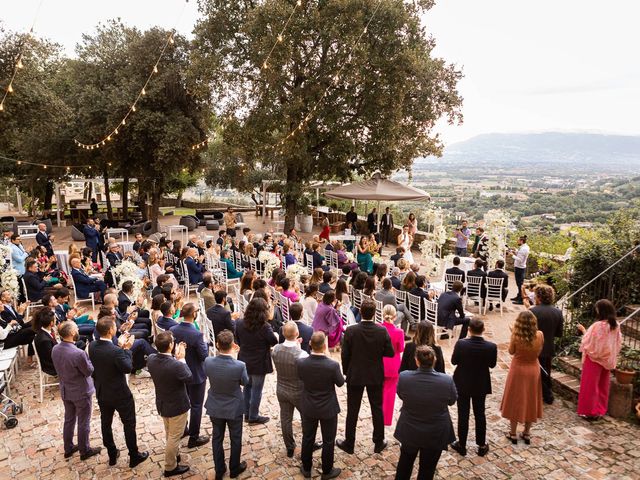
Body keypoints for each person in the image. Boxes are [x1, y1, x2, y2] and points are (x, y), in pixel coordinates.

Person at [89, 316, 149, 468]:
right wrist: (126, 349)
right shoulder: (116, 351)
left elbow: (104, 357)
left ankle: (112, 453)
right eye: (114, 327)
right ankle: (134, 455)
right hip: (120, 393)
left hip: (103, 391)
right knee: (129, 424)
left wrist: (120, 346)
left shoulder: (92, 346)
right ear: (110, 331)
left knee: (106, 423)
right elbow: (127, 367)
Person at [337, 299, 394, 455]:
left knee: (352, 410)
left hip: (355, 374)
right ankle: (378, 441)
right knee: (377, 408)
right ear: (374, 313)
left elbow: (345, 354)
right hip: (375, 374)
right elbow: (389, 352)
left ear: (360, 312)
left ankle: (349, 443)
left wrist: (347, 371)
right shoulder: (381, 331)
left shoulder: (351, 331)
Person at [394, 346, 456, 480]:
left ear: (417, 361)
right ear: (434, 360)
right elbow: (452, 401)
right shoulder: (446, 380)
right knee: (427, 469)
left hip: (410, 429)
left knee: (404, 465)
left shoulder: (404, 377)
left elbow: (401, 394)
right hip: (435, 431)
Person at [51, 321, 102, 460]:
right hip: (80, 391)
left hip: (65, 390)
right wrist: (88, 358)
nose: (78, 329)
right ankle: (84, 450)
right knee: (83, 421)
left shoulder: (55, 349)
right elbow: (88, 371)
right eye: (76, 328)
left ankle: (68, 448)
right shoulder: (78, 353)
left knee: (69, 420)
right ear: (72, 333)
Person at [297, 331, 345, 480]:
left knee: (307, 437)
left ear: (310, 344)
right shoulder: (332, 365)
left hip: (308, 405)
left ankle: (306, 468)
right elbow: (340, 383)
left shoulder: (301, 362)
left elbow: (301, 377)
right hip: (327, 407)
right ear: (324, 346)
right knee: (328, 440)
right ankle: (327, 470)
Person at [449, 319, 497, 457]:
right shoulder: (491, 347)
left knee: (463, 414)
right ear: (483, 330)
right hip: (480, 383)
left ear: (469, 329)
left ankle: (462, 444)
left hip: (463, 382)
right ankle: (481, 445)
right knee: (480, 413)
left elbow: (454, 361)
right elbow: (492, 364)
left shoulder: (461, 344)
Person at [146, 331, 192, 477]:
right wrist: (182, 359)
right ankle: (170, 467)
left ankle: (175, 455)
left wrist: (176, 358)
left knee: (169, 432)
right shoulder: (176, 365)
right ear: (171, 345)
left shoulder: (152, 359)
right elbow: (189, 377)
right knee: (174, 436)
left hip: (162, 402)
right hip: (177, 405)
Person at [205, 330, 249, 480]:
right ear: (232, 345)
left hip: (215, 405)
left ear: (217, 345)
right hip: (234, 407)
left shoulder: (208, 361)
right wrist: (234, 358)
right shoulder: (240, 365)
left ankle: (219, 470)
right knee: (235, 438)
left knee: (217, 438)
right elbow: (245, 382)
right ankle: (234, 469)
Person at [169, 303, 210, 448]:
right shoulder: (197, 335)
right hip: (196, 374)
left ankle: (183, 429)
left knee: (183, 403)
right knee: (196, 405)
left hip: (179, 372)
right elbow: (204, 356)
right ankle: (194, 437)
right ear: (193, 314)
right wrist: (206, 344)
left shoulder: (173, 329)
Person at [500, 310, 544, 445]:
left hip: (518, 369)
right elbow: (539, 351)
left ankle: (513, 433)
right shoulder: (540, 335)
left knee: (515, 398)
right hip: (533, 369)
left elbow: (511, 351)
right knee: (531, 398)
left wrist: (513, 333)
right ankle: (527, 432)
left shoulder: (516, 336)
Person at [576, 299, 622, 420]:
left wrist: (583, 330)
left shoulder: (597, 325)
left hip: (594, 358)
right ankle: (600, 410)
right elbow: (617, 343)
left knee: (589, 386)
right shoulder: (616, 325)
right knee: (603, 386)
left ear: (601, 310)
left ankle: (589, 412)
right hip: (607, 360)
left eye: (597, 308)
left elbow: (588, 341)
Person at [236, 297, 278, 424]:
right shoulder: (265, 327)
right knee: (256, 390)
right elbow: (273, 341)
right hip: (259, 362)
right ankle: (253, 416)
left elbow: (237, 339)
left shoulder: (239, 323)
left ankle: (247, 413)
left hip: (244, 359)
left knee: (247, 388)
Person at [271, 321, 309, 458]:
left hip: (281, 388)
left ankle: (290, 447)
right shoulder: (302, 354)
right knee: (306, 418)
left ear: (283, 334)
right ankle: (307, 444)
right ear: (297, 334)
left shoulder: (276, 349)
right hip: (298, 391)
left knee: (286, 419)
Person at [529, 285, 563, 405]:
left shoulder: (532, 311)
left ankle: (546, 394)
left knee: (534, 371)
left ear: (539, 297)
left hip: (534, 347)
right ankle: (546, 394)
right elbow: (559, 333)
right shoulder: (558, 312)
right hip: (548, 346)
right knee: (546, 370)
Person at [381, 305, 404, 426]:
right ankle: (386, 419)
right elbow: (400, 349)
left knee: (378, 391)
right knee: (389, 393)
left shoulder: (378, 328)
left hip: (379, 363)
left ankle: (378, 416)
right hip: (392, 365)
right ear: (394, 317)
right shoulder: (399, 332)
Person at [0, 290, 35, 355]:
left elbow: (19, 323)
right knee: (33, 328)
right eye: (8, 294)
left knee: (33, 335)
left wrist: (22, 311)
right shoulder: (3, 312)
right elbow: (16, 325)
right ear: (3, 298)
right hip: (8, 338)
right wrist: (20, 312)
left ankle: (30, 358)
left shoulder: (9, 307)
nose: (11, 296)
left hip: (15, 331)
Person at [33, 308, 58, 376]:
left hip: (53, 359)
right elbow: (52, 356)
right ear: (51, 323)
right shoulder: (45, 340)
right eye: (55, 319)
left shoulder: (44, 331)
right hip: (51, 366)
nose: (56, 320)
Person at [509, 235, 530, 304]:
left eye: (518, 240)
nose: (517, 241)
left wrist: (512, 255)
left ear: (521, 241)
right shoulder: (524, 247)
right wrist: (516, 251)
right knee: (519, 284)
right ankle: (518, 296)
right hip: (520, 267)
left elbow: (520, 260)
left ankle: (521, 299)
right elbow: (521, 255)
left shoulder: (524, 249)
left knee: (520, 284)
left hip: (520, 268)